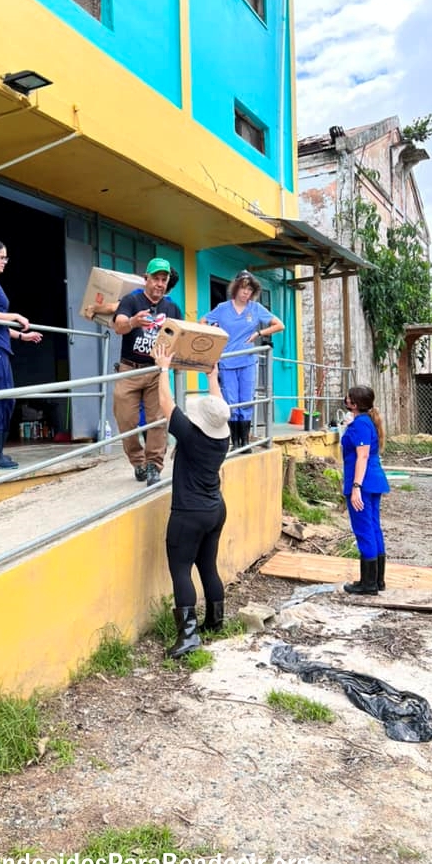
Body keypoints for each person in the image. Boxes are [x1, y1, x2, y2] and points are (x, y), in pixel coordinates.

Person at [152, 342, 231, 657]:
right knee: (208, 566)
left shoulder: (189, 434)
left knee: (181, 570)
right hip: (215, 509)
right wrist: (212, 377)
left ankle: (188, 637)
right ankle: (215, 621)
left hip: (189, 513)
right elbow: (218, 408)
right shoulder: (223, 436)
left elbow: (165, 402)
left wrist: (163, 369)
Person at [112, 258, 183, 486]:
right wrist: (133, 322)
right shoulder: (131, 300)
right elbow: (118, 325)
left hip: (155, 371)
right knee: (125, 420)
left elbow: (182, 335)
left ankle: (154, 465)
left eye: (164, 280)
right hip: (129, 369)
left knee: (157, 420)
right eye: (156, 279)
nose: (160, 284)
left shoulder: (172, 308)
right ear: (146, 279)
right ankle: (138, 462)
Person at [0, 238, 42, 469]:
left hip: (0, 344)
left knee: (8, 399)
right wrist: (15, 316)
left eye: (6, 258)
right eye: (2, 257)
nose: (5, 261)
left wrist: (22, 336)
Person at [200, 270, 284, 451]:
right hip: (227, 361)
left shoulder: (255, 308)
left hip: (247, 361)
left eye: (250, 289)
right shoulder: (223, 308)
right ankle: (235, 442)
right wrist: (216, 334)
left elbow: (279, 325)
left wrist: (259, 333)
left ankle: (245, 441)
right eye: (243, 288)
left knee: (246, 399)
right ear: (236, 288)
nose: (246, 292)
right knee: (231, 401)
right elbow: (203, 321)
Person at [341, 385, 390, 595]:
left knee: (364, 529)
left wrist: (356, 488)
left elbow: (362, 456)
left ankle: (368, 584)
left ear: (354, 403)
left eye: (348, 397)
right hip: (373, 480)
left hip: (364, 483)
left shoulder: (361, 424)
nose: (345, 399)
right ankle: (378, 581)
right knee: (373, 527)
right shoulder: (364, 421)